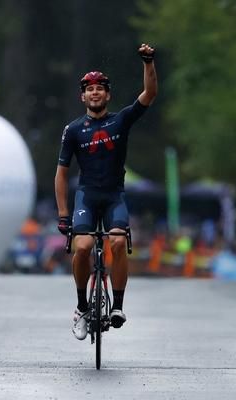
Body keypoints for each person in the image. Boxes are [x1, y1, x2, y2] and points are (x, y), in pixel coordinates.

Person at [54, 44, 158, 340]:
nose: (95, 93)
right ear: (83, 97)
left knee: (116, 242)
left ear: (108, 95)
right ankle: (82, 307)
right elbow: (61, 174)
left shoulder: (120, 120)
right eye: (90, 89)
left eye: (100, 88)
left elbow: (149, 95)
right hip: (87, 195)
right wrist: (63, 214)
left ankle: (119, 306)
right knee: (83, 246)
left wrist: (148, 63)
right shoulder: (73, 130)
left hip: (114, 195)